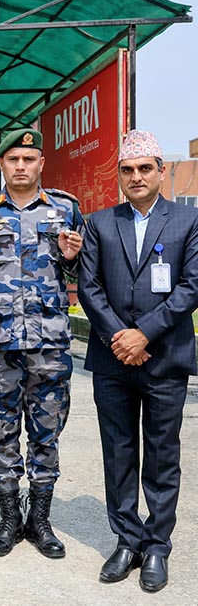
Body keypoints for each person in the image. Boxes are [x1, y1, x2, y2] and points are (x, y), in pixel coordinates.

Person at [77, 130, 198, 593]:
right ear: (120, 176)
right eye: (127, 170)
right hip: (113, 361)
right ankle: (127, 539)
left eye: (145, 168)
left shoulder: (188, 221)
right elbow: (89, 288)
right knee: (119, 451)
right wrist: (120, 339)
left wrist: (144, 333)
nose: (136, 177)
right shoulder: (100, 223)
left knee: (163, 455)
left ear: (160, 171)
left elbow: (191, 285)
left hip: (164, 357)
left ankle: (157, 547)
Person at [0, 128, 84, 560]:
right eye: (13, 160)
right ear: (1, 165)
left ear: (41, 163)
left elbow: (85, 273)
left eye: (29, 159)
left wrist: (72, 259)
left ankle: (41, 520)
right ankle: (9, 519)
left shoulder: (66, 209)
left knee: (47, 431)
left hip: (49, 343)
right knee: (1, 430)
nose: (21, 166)